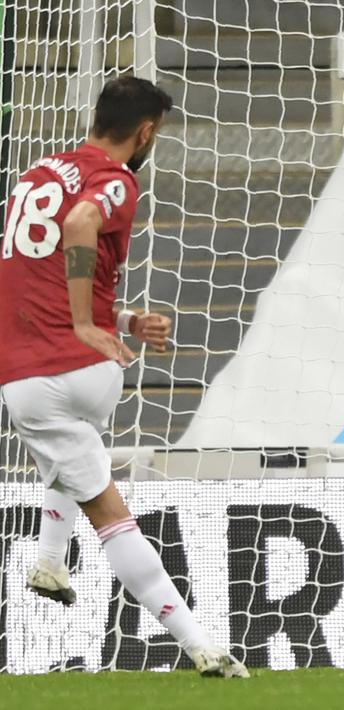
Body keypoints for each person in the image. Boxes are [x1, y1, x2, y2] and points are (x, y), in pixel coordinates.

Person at [0, 76, 247, 678]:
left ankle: (57, 563)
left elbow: (39, 275)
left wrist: (124, 319)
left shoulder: (35, 176)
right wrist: (87, 323)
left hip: (32, 372)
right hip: (78, 367)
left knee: (80, 468)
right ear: (145, 132)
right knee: (97, 491)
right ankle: (197, 643)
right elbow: (84, 222)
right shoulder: (116, 179)